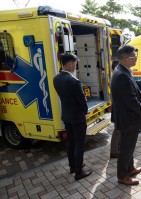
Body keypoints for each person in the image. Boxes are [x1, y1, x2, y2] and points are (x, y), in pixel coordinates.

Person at [111, 45, 141, 185]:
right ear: (126, 59)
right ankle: (122, 176)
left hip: (128, 118)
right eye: (134, 56)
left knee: (129, 146)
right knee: (126, 148)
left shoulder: (123, 71)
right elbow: (131, 100)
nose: (136, 59)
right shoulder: (122, 75)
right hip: (128, 119)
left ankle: (130, 168)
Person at [53, 53, 92, 181]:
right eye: (75, 63)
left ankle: (73, 166)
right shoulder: (74, 81)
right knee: (79, 144)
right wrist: (85, 110)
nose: (76, 65)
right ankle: (79, 172)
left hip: (67, 116)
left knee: (70, 142)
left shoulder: (56, 78)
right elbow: (82, 102)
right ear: (70, 64)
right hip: (77, 117)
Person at [110, 60, 121, 159]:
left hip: (117, 110)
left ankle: (117, 148)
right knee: (117, 131)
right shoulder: (115, 78)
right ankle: (114, 151)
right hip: (118, 110)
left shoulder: (115, 77)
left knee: (118, 130)